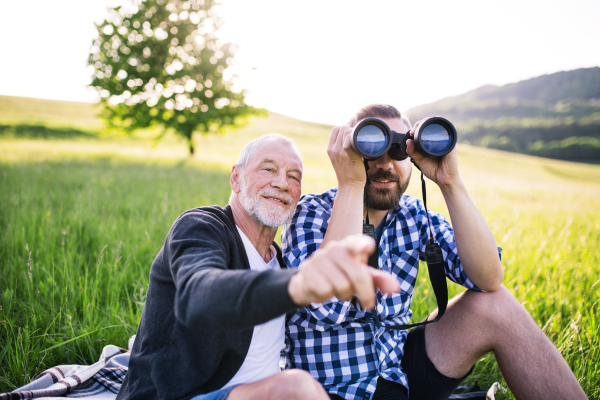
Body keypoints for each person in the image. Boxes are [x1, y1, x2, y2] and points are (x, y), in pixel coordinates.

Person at [282, 105, 587, 400]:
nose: (385, 164)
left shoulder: (413, 214)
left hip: (397, 375)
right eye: (371, 149)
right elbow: (327, 308)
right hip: (328, 389)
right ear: (349, 152)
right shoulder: (312, 213)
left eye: (399, 150)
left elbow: (488, 279)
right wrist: (350, 183)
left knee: (496, 305)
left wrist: (450, 182)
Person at [116, 133, 400, 400]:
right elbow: (199, 294)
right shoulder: (202, 227)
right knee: (296, 387)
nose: (281, 183)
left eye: (294, 176)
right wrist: (298, 284)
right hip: (182, 394)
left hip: (252, 392)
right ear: (236, 178)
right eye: (268, 170)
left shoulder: (279, 259)